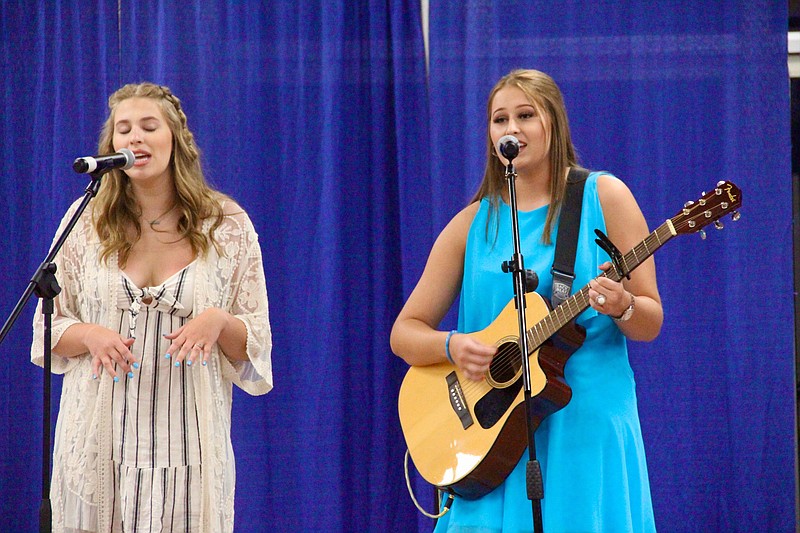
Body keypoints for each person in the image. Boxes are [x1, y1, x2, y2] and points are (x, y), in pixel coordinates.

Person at [390, 69, 663, 532]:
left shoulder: (605, 196)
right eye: (500, 120)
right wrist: (453, 346)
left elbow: (650, 319)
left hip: (586, 432)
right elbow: (405, 332)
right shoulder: (472, 224)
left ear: (552, 124)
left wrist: (623, 306)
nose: (511, 129)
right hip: (492, 437)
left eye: (525, 116)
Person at [31, 82, 273, 532]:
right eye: (123, 130)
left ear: (176, 140)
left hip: (186, 449)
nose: (135, 138)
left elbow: (255, 342)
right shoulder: (84, 223)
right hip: (95, 445)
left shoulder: (227, 225)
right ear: (111, 147)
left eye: (148, 126)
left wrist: (218, 322)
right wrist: (90, 334)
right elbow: (49, 325)